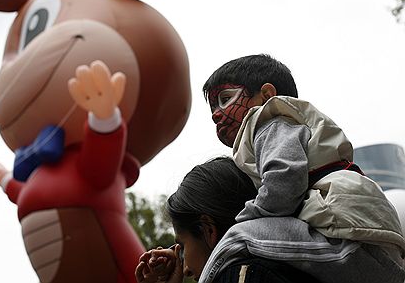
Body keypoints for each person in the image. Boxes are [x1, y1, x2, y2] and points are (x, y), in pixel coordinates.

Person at [200, 54, 405, 283]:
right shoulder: (289, 127)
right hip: (367, 241)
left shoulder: (270, 123)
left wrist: (249, 217)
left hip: (344, 237)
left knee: (237, 237)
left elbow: (284, 180)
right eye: (213, 109)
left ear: (267, 95)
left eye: (226, 99)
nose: (217, 115)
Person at [135, 157, 321, 283]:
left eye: (183, 247)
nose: (186, 270)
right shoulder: (280, 269)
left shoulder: (240, 276)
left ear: (208, 229)